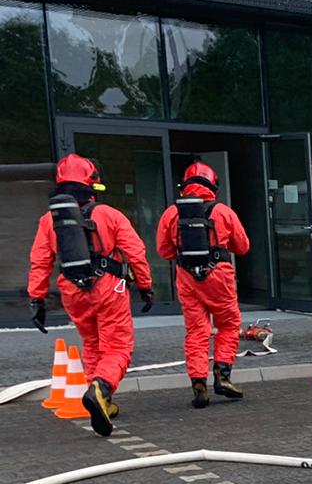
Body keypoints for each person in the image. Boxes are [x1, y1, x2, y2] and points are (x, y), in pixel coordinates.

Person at [28, 154, 154, 437]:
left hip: (72, 291)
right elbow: (136, 252)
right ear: (91, 182)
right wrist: (146, 286)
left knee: (92, 343)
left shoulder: (49, 220)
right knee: (118, 347)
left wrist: (37, 299)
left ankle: (100, 399)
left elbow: (40, 261)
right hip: (108, 287)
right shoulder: (109, 215)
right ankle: (101, 388)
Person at [156, 160, 251, 408]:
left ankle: (198, 383)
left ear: (184, 186)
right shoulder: (223, 212)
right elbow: (243, 247)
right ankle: (222, 376)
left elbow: (164, 251)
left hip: (187, 277)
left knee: (197, 331)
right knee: (228, 324)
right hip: (219, 275)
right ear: (213, 185)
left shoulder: (172, 213)